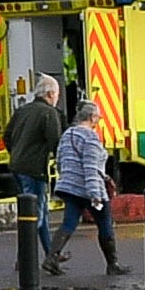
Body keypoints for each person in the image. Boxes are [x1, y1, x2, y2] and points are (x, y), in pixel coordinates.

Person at [55, 86, 123, 277]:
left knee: (68, 222)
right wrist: (95, 195)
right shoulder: (90, 137)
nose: (98, 121)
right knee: (105, 223)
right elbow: (90, 168)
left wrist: (68, 179)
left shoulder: (67, 135)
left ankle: (51, 258)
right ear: (92, 118)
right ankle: (113, 264)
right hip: (88, 188)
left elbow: (60, 161)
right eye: (98, 118)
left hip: (69, 186)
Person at [2, 76, 63, 278]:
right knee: (36, 215)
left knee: (40, 214)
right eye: (57, 94)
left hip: (17, 167)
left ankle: (51, 255)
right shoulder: (49, 113)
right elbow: (55, 142)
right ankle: (25, 257)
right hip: (35, 169)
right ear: (50, 94)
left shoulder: (23, 110)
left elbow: (7, 135)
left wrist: (16, 153)